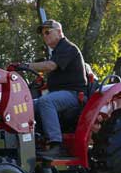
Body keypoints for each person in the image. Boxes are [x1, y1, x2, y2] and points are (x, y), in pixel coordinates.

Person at [27, 19, 87, 158]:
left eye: (48, 32)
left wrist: (27, 65)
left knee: (46, 102)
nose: (45, 36)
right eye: (43, 34)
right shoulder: (56, 52)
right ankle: (34, 141)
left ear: (59, 32)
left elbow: (51, 66)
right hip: (59, 94)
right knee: (26, 106)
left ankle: (56, 144)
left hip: (74, 95)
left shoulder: (68, 47)